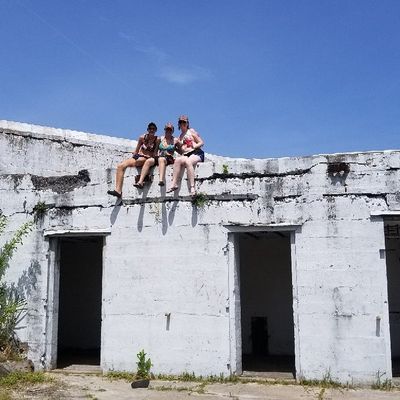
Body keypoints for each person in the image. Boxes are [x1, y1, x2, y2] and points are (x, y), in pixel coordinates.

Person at [107, 122, 159, 198]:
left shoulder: (157, 140)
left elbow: (155, 153)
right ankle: (118, 191)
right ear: (147, 129)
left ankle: (141, 180)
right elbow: (136, 150)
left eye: (153, 129)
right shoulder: (142, 137)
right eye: (150, 129)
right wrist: (134, 156)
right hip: (139, 157)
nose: (152, 130)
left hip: (147, 158)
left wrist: (150, 157)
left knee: (140, 160)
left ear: (156, 130)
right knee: (120, 166)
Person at [167, 115, 204, 196]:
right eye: (180, 122)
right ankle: (174, 184)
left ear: (187, 123)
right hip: (186, 154)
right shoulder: (180, 137)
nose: (182, 123)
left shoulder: (191, 131)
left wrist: (195, 146)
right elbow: (182, 151)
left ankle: (192, 187)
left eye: (184, 122)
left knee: (188, 162)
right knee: (177, 160)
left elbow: (201, 142)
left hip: (196, 152)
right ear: (179, 124)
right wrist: (175, 148)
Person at [134, 122, 179, 188]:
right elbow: (155, 149)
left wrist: (176, 149)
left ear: (172, 131)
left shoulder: (175, 140)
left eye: (170, 130)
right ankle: (140, 182)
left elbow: (181, 149)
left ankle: (161, 180)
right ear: (165, 130)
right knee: (149, 161)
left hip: (169, 158)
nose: (168, 131)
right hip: (160, 156)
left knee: (161, 159)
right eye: (167, 129)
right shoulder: (161, 138)